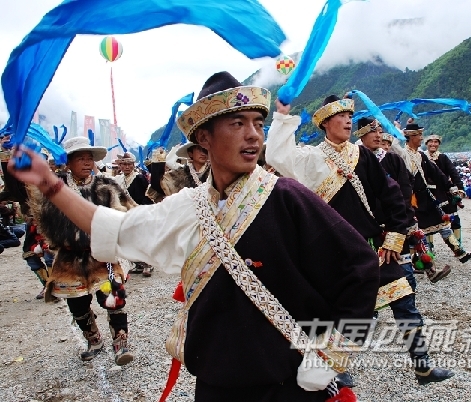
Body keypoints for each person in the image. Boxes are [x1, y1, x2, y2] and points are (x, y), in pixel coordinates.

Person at [10, 72, 380, 401]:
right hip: (217, 381)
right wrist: (50, 184)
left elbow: (360, 268)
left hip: (290, 382)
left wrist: (331, 355)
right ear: (204, 137)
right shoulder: (186, 207)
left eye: (257, 123)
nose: (253, 134)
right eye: (237, 123)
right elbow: (115, 228)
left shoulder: (287, 197)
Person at [267, 95, 454, 386]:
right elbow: (278, 155)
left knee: (404, 303)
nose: (347, 120)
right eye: (340, 116)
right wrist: (281, 118)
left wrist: (395, 235)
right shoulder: (310, 159)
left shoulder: (361, 155)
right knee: (338, 313)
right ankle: (335, 369)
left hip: (372, 246)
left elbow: (390, 193)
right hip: (334, 252)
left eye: (349, 116)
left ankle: (423, 367)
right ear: (326, 122)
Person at [23, 136, 136, 365]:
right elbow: (38, 211)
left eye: (89, 159)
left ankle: (120, 342)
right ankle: (94, 339)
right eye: (80, 158)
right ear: (68, 162)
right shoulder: (56, 188)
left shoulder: (106, 186)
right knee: (77, 304)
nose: (86, 163)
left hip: (102, 256)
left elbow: (129, 210)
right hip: (69, 259)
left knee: (113, 297)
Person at [358, 118, 451, 283]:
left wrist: (403, 209)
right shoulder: (356, 160)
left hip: (399, 214)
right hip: (371, 221)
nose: (378, 136)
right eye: (373, 132)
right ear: (361, 136)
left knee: (408, 258)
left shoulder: (393, 159)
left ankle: (428, 272)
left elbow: (406, 185)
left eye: (380, 131)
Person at [394, 120, 471, 264]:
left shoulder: (421, 155)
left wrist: (452, 187)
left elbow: (437, 174)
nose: (422, 138)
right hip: (413, 200)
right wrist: (397, 130)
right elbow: (394, 145)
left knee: (444, 225)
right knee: (418, 232)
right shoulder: (403, 154)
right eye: (419, 135)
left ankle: (460, 253)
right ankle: (426, 264)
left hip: (426, 197)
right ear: (411, 137)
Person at [425, 133, 465, 245]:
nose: (433, 144)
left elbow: (454, 173)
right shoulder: (421, 157)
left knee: (454, 219)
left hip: (444, 192)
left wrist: (460, 189)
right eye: (431, 142)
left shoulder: (443, 158)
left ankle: (458, 245)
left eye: (436, 142)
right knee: (427, 222)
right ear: (426, 144)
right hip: (427, 193)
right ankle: (429, 247)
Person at [22, 215, 54, 299]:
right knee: (30, 258)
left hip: (53, 243)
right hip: (39, 244)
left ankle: (53, 286)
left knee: (49, 257)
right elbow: (28, 242)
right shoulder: (30, 225)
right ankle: (47, 284)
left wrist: (46, 246)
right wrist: (34, 248)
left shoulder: (52, 218)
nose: (34, 223)